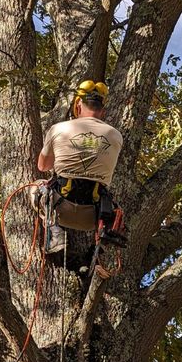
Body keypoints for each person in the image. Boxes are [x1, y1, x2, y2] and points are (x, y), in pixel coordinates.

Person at [37, 80, 127, 249]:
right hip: (93, 218)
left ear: (78, 105)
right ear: (103, 111)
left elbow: (43, 166)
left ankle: (55, 233)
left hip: (60, 209)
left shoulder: (58, 128)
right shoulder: (116, 136)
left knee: (35, 187)